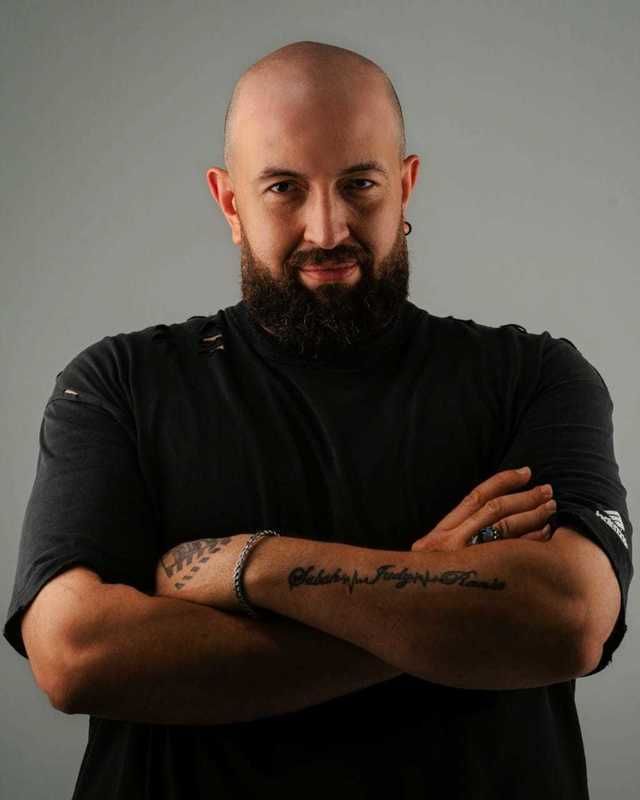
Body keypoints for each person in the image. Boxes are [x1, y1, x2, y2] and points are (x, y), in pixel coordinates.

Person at [3, 40, 633, 800]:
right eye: (283, 188)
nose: (328, 229)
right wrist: (436, 601)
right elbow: (75, 656)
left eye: (360, 184)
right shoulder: (118, 384)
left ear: (406, 186)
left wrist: (253, 565)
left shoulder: (534, 377)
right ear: (229, 204)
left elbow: (569, 618)